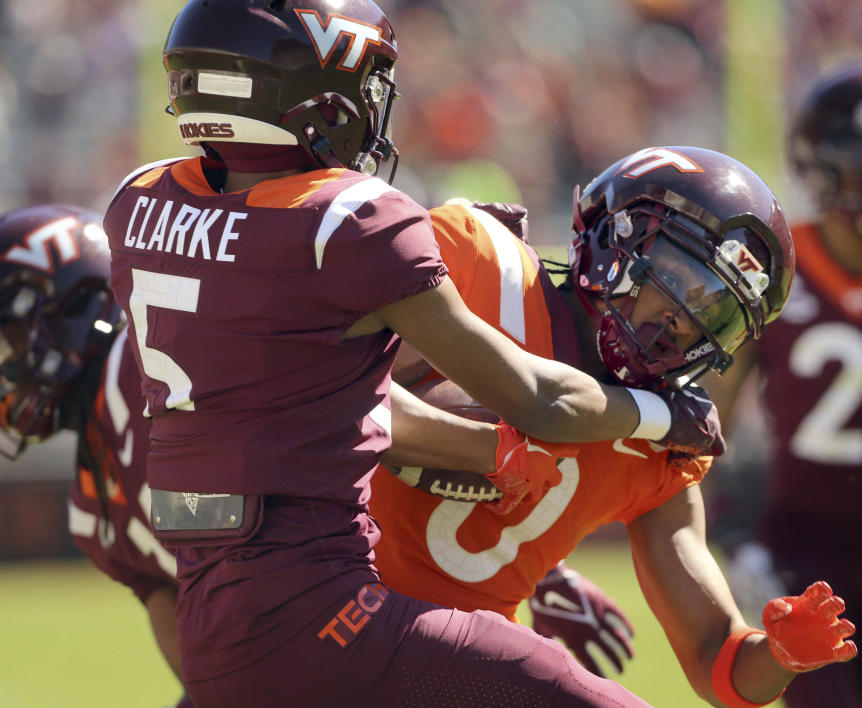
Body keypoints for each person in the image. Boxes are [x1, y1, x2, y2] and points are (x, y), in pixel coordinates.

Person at [102, 1, 724, 705]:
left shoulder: (136, 204)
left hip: (212, 609)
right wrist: (660, 414)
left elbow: (300, 389)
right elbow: (537, 399)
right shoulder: (349, 219)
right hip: (323, 610)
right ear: (314, 97)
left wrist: (523, 531)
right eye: (366, 89)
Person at [371, 145, 858, 708]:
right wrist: (477, 447)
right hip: (331, 606)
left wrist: (778, 655)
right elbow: (310, 399)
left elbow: (717, 660)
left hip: (447, 659)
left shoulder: (663, 451)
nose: (685, 319)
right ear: (616, 235)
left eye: (718, 311)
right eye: (679, 277)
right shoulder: (480, 265)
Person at [704, 57, 862, 708]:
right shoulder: (774, 268)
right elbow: (703, 429)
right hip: (804, 553)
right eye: (860, 151)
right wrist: (733, 539)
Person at [0, 204, 191, 707]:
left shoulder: (155, 364)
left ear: (70, 304)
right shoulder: (92, 507)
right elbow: (190, 650)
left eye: (7, 343)